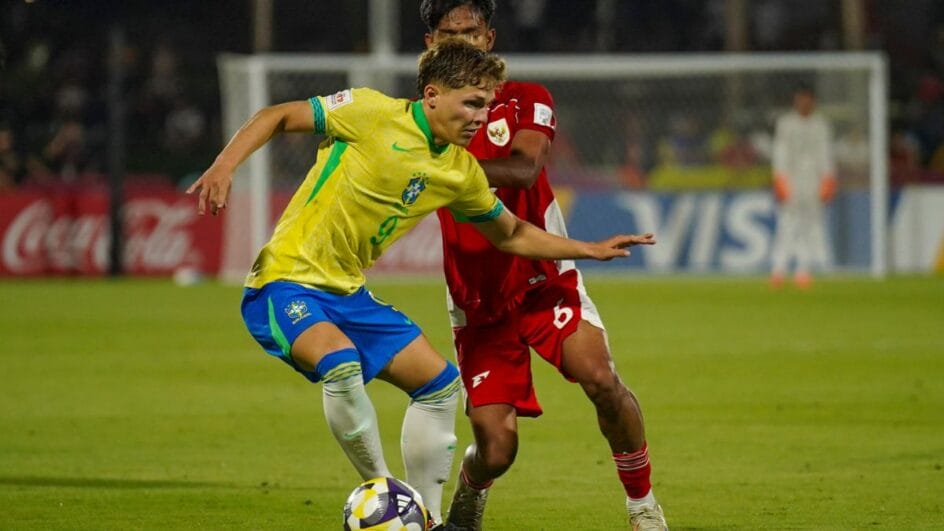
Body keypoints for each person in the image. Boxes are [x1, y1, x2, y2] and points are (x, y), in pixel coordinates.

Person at [187, 39, 654, 529]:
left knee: (439, 385)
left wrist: (590, 248)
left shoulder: (458, 171)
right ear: (432, 95)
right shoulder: (371, 111)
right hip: (283, 283)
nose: (480, 117)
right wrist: (224, 165)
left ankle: (424, 517)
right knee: (341, 365)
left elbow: (512, 233)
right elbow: (278, 115)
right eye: (471, 103)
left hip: (348, 292)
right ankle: (387, 499)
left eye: (487, 105)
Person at [419, 2, 668, 529]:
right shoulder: (419, 120)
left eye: (470, 33)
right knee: (497, 449)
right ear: (430, 44)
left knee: (600, 378)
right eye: (448, 35)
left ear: (489, 37)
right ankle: (472, 491)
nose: (461, 43)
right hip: (478, 304)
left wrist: (440, 169)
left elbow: (526, 169)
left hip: (542, 281)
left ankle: (642, 506)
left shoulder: (526, 100)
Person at [770, 84, 836, 288]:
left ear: (813, 101)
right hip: (791, 180)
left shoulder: (821, 125)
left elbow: (826, 155)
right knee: (786, 225)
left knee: (809, 226)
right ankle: (778, 270)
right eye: (801, 99)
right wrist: (779, 179)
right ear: (795, 101)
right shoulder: (786, 124)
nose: (804, 103)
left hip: (813, 182)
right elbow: (779, 153)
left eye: (808, 99)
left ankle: (803, 271)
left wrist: (828, 179)